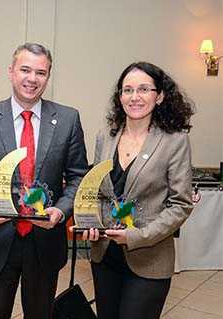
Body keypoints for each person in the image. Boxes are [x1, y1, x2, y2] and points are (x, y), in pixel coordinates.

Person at [0, 43, 88, 319]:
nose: (32, 79)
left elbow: (78, 176)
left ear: (48, 77)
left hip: (44, 240)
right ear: (10, 72)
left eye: (41, 72)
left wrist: (62, 210)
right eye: (25, 70)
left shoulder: (68, 119)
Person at [78, 61, 195, 319]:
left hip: (150, 258)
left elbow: (181, 204)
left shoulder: (175, 141)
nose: (134, 97)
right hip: (105, 255)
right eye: (127, 90)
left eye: (144, 89)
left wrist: (137, 236)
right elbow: (97, 191)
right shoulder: (105, 137)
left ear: (160, 95)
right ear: (119, 97)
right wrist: (89, 221)